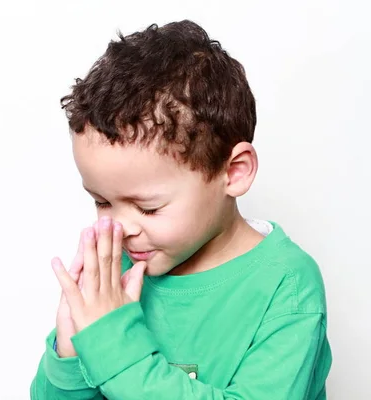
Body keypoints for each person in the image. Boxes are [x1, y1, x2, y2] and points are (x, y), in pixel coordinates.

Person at [30, 19, 332, 399]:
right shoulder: (119, 273)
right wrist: (70, 354)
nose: (121, 228)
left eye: (148, 208)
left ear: (233, 172)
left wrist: (110, 343)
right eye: (102, 201)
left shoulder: (287, 287)